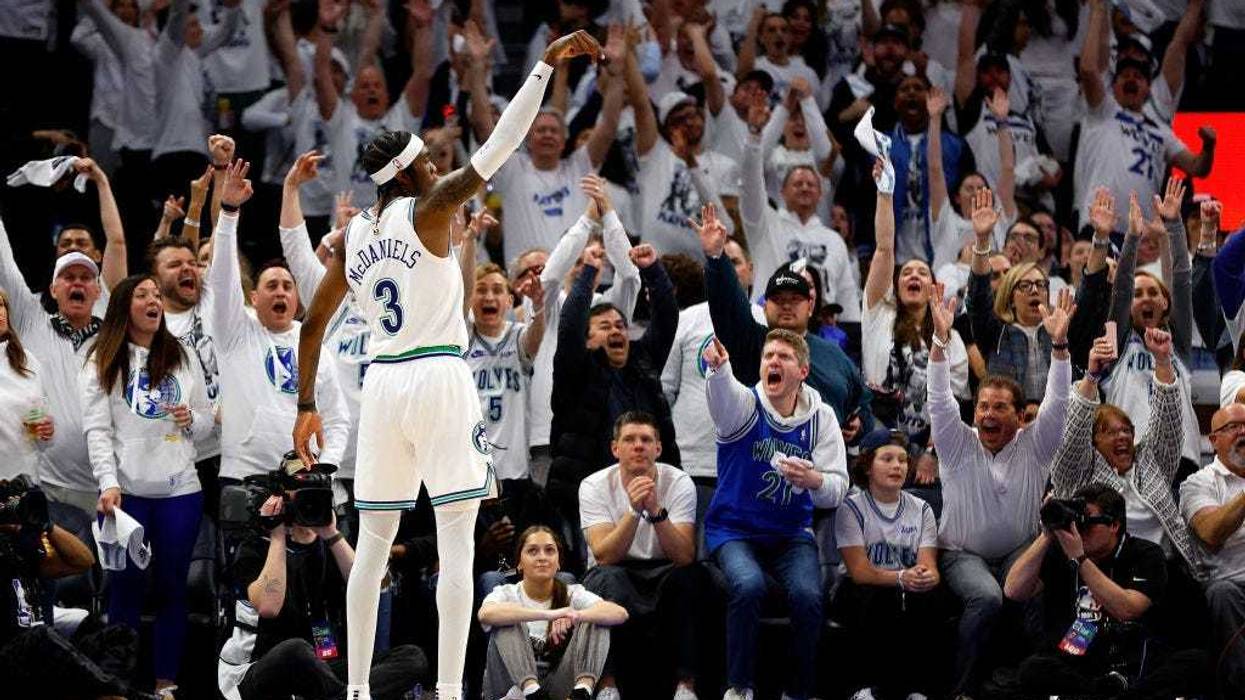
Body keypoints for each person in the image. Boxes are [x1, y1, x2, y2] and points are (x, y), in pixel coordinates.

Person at [292, 31, 604, 700]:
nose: (438, 169)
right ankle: (451, 689)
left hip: (381, 385)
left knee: (371, 547)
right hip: (437, 374)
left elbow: (313, 323)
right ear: (408, 172)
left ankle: (352, 689)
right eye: (427, 163)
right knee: (457, 541)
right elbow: (499, 148)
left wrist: (306, 407)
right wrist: (543, 66)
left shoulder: (352, 237)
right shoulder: (429, 209)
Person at [927, 281, 1073, 696]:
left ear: (1018, 414)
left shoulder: (1036, 443)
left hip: (1018, 552)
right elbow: (938, 399)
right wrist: (940, 341)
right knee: (988, 598)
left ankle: (1035, 684)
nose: (988, 414)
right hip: (962, 553)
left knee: (1039, 588)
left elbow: (1058, 402)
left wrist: (1059, 348)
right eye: (983, 407)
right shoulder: (957, 442)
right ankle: (962, 690)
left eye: (999, 407)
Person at [81, 274, 215, 699]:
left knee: (173, 588)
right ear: (125, 306)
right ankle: (116, 683)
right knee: (126, 588)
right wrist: (107, 482)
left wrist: (192, 419)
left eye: (157, 295)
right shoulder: (102, 357)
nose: (154, 301)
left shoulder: (182, 354)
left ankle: (166, 683)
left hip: (181, 491)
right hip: (128, 494)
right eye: (143, 295)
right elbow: (97, 430)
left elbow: (210, 419)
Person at [702, 330, 849, 700]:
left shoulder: (822, 417)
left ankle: (797, 691)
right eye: (768, 356)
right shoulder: (744, 406)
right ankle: (739, 687)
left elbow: (838, 487)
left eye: (783, 357)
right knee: (748, 586)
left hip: (790, 532)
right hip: (733, 529)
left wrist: (814, 479)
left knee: (808, 596)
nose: (773, 362)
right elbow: (722, 397)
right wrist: (719, 370)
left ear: (802, 370)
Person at [208, 161, 350, 491]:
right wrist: (228, 213)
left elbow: (338, 417)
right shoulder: (236, 330)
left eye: (288, 285)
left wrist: (325, 468)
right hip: (244, 473)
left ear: (298, 299)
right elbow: (222, 277)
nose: (281, 291)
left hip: (303, 479)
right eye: (271, 286)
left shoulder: (312, 342)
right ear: (253, 298)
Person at [1004, 483, 1205, 699]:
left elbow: (1128, 609)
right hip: (1079, 658)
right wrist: (1048, 532)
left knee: (1195, 662)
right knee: (1033, 669)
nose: (1080, 530)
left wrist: (1080, 559)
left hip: (1133, 655)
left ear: (1114, 525)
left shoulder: (1146, 554)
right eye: (1076, 522)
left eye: (1087, 523)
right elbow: (1013, 590)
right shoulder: (1062, 552)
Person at [219, 495, 429, 700]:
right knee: (296, 650)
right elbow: (268, 607)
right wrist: (277, 535)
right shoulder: (256, 545)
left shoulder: (329, 546)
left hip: (320, 667)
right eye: (301, 494)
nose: (308, 501)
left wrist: (331, 533)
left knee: (412, 657)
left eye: (315, 493)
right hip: (260, 666)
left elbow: (374, 588)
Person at [699, 203, 872, 444]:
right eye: (778, 299)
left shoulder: (835, 356)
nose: (787, 305)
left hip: (821, 470)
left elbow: (862, 402)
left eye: (795, 299)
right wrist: (717, 258)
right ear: (764, 306)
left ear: (811, 306)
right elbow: (729, 306)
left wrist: (860, 423)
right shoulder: (749, 342)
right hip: (762, 465)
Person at [465, 21, 626, 268]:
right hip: (526, 282)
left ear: (564, 141)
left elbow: (609, 125)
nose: (548, 134)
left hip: (576, 280)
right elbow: (484, 127)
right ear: (528, 138)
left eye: (554, 131)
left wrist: (616, 75)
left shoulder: (579, 165)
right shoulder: (513, 168)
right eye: (541, 130)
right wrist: (477, 68)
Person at [546, 242, 680, 536]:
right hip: (589, 497)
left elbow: (667, 317)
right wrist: (588, 274)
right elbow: (569, 326)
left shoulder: (643, 362)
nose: (617, 330)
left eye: (621, 325)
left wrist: (653, 271)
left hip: (649, 489)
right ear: (588, 339)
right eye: (605, 326)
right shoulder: (576, 371)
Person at [578, 412, 703, 700]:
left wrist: (657, 511)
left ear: (658, 448)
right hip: (615, 567)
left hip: (665, 567)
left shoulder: (679, 482)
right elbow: (604, 554)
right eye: (629, 440)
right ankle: (607, 686)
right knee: (607, 580)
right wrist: (634, 511)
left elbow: (685, 555)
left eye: (646, 440)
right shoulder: (594, 485)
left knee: (693, 577)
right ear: (615, 449)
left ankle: (686, 687)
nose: (638, 446)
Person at [863, 157, 968, 483]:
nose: (913, 275)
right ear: (895, 285)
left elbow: (955, 399)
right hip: (879, 437)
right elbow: (883, 249)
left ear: (933, 287)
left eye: (922, 272)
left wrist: (931, 455)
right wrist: (885, 194)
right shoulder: (879, 313)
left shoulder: (948, 332)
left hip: (927, 449)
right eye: (906, 272)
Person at [0, 481, 149, 700]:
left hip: (45, 655)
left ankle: (109, 696)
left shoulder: (28, 552)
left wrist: (45, 524)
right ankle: (125, 694)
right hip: (10, 658)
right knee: (40, 636)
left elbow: (83, 561)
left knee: (121, 635)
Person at [1074, 0, 1215, 228]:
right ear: (1114, 83)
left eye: (1138, 76)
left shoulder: (1159, 128)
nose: (1131, 79)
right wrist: (1099, 8)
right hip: (1097, 224)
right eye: (1125, 75)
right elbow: (1089, 70)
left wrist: (1209, 146)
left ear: (1149, 87)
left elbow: (1198, 167)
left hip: (1140, 235)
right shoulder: (1103, 111)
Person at [0, 218, 103, 517]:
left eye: (86, 278)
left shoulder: (115, 340)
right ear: (53, 289)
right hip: (49, 485)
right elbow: (4, 263)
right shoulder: (33, 324)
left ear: (98, 291)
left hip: (112, 486)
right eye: (68, 277)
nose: (77, 283)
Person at [833, 428, 941, 700]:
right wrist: (903, 577)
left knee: (927, 597)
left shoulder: (922, 509)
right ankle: (865, 689)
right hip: (857, 589)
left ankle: (915, 690)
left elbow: (929, 566)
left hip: (902, 587)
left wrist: (927, 577)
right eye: (888, 459)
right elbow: (859, 572)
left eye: (903, 460)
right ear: (868, 466)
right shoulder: (851, 508)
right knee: (881, 599)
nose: (897, 466)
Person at [1103, 179, 1201, 466]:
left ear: (1165, 303)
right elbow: (1120, 291)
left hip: (1182, 460)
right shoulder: (1117, 343)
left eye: (1153, 292)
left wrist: (1174, 226)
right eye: (1138, 294)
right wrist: (1132, 238)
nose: (1145, 298)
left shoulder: (1177, 343)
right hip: (1128, 458)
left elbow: (1181, 280)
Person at [740, 93, 858, 325]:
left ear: (821, 193)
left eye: (811, 183)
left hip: (820, 332)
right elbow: (750, 185)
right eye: (797, 183)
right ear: (781, 192)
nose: (804, 187)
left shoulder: (834, 241)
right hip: (768, 328)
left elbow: (847, 298)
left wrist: (853, 340)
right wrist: (754, 136)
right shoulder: (766, 225)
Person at [479, 526, 629, 700]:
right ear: (519, 562)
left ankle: (582, 692)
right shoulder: (506, 593)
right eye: (532, 551)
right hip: (509, 689)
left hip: (557, 688)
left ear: (558, 562)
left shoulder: (572, 593)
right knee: (508, 617)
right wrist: (551, 614)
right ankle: (531, 691)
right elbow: (485, 614)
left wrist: (576, 615)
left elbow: (619, 613)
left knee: (595, 616)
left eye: (549, 551)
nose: (542, 557)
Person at [1179, 402, 1245, 696]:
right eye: (1233, 427)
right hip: (1231, 585)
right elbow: (1211, 532)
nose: (1243, 431)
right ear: (1214, 440)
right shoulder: (1198, 483)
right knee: (1222, 594)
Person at [0, 289, 54, 482]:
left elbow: (41, 412)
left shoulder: (27, 360)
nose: (0, 312)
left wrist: (47, 429)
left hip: (27, 482)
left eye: (1, 305)